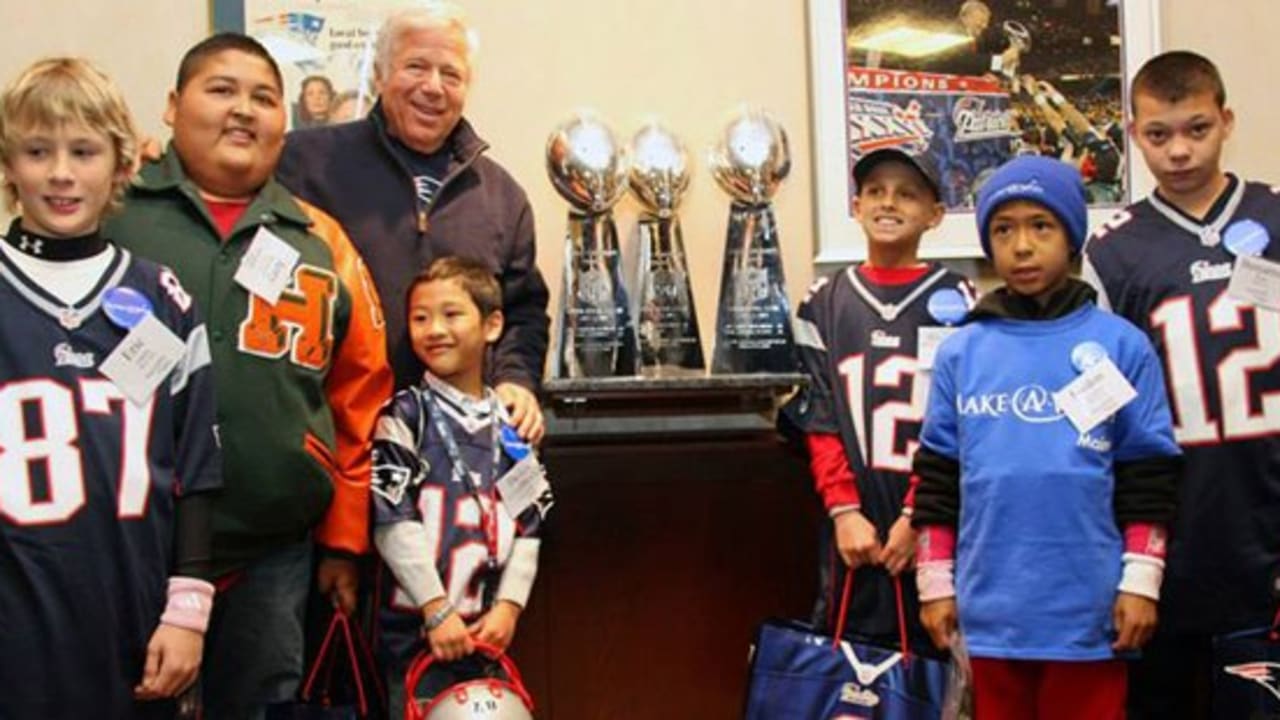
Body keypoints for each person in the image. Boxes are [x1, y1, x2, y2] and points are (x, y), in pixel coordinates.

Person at [104, 34, 393, 719]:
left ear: (284, 122)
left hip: (272, 553)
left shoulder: (319, 241)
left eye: (263, 98)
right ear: (173, 107)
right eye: (221, 90)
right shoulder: (110, 215)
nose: (244, 111)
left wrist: (345, 542)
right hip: (129, 547)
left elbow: (361, 395)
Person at [912, 156, 1183, 719]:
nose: (1023, 246)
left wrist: (1142, 582)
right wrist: (934, 584)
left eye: (1041, 225)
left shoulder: (1121, 347)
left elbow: (1148, 476)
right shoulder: (962, 352)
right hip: (990, 617)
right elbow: (937, 477)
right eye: (1004, 229)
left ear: (1071, 236)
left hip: (1089, 614)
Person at [0, 57, 220, 718]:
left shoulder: (162, 299)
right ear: (9, 165)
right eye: (38, 151)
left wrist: (190, 611)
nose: (62, 173)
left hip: (135, 618)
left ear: (122, 164)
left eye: (84, 151)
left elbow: (198, 470)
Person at [1081, 50, 1280, 719]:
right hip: (1172, 526)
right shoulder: (1112, 250)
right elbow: (1100, 406)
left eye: (1197, 129)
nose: (1180, 151)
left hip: (1266, 512)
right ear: (1135, 134)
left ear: (1226, 121)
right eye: (1159, 134)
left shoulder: (1275, 218)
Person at [276, 3, 550, 444]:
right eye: (416, 66)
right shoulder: (302, 163)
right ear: (379, 76)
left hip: (457, 453)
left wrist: (516, 380)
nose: (433, 87)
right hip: (331, 443)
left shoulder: (502, 197)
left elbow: (522, 311)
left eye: (451, 74)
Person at [782, 147, 973, 652]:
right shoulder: (823, 301)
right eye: (876, 191)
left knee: (936, 670)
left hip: (933, 523)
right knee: (850, 671)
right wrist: (844, 510)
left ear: (935, 214)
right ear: (857, 204)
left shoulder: (961, 300)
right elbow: (816, 415)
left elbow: (962, 421)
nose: (889, 203)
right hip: (852, 528)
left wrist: (920, 514)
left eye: (907, 193)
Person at [372, 256, 552, 717]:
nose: (434, 329)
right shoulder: (405, 417)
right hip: (416, 636)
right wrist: (435, 609)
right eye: (420, 318)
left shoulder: (510, 430)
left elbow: (529, 530)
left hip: (487, 634)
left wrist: (509, 608)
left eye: (451, 315)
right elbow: (393, 523)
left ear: (492, 325)